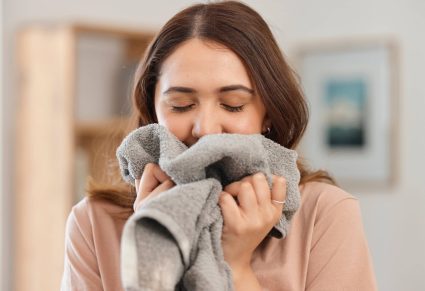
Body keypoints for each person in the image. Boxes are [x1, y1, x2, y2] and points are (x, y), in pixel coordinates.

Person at [60, 1, 377, 290]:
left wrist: (236, 269)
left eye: (233, 104)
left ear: (268, 112)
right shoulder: (94, 223)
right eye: (182, 105)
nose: (206, 129)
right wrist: (157, 243)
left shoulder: (324, 214)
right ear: (152, 110)